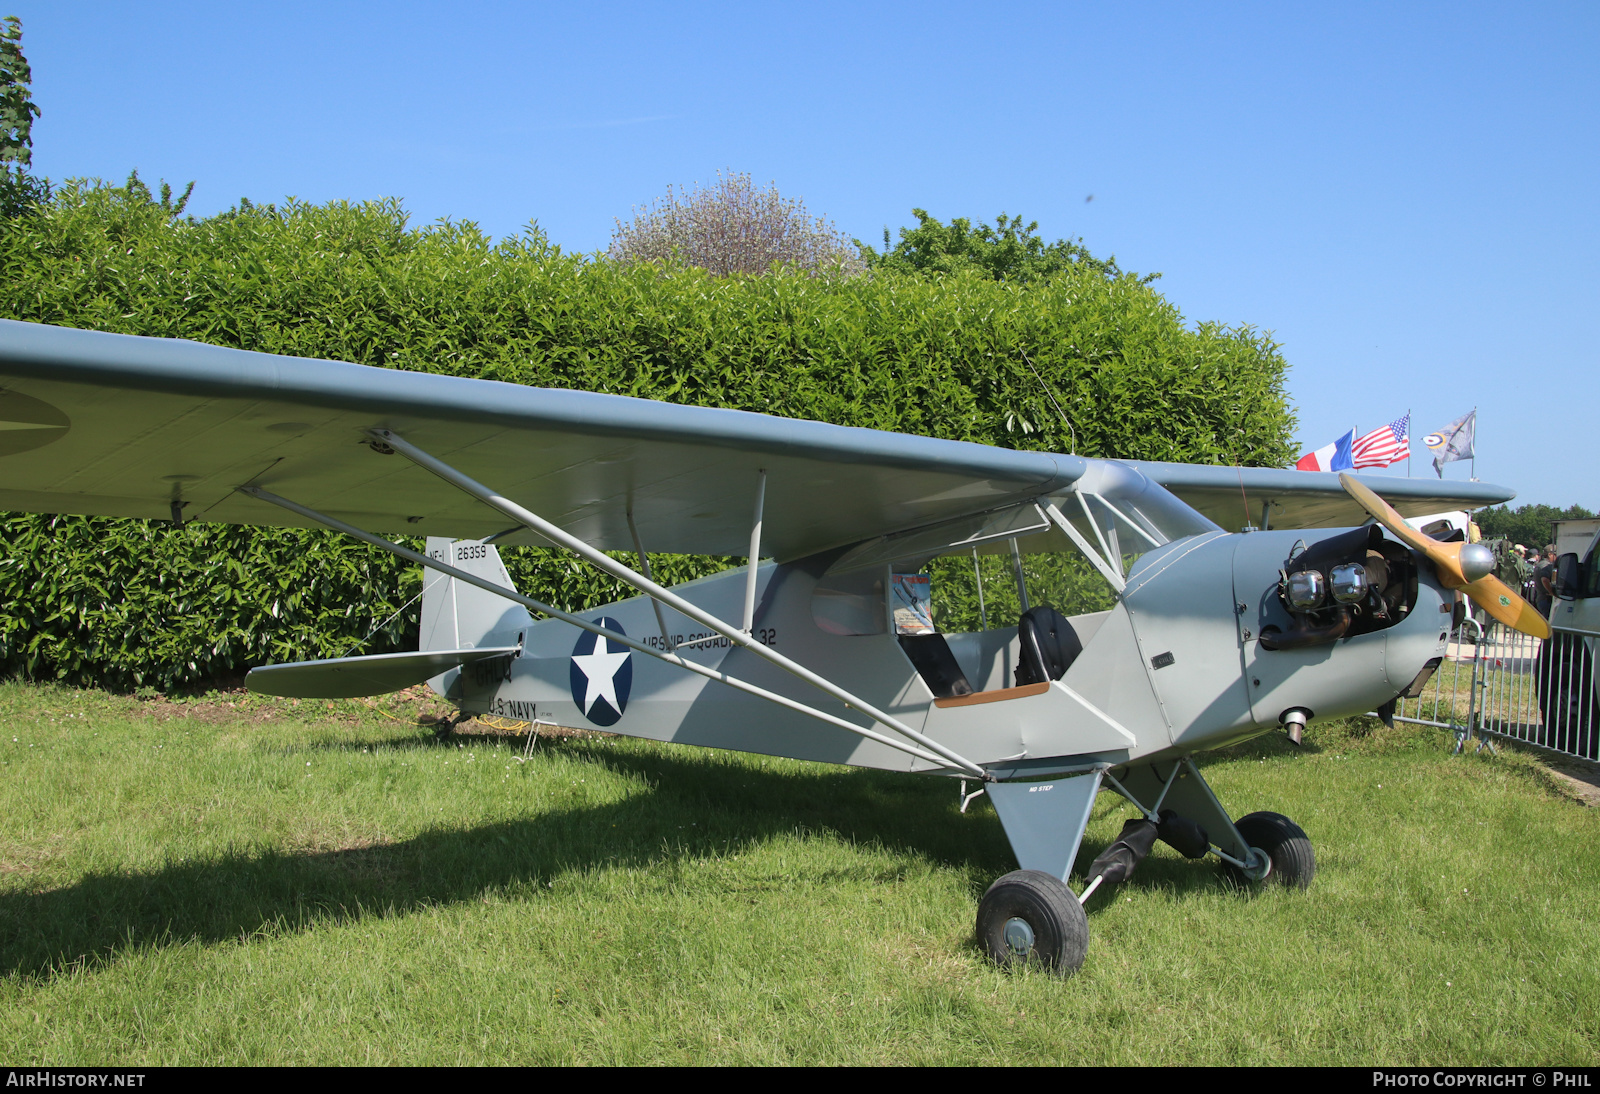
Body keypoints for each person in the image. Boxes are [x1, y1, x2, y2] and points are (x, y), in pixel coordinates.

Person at [1534, 546, 1557, 619]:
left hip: (1540, 598)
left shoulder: (1539, 564)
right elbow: (1544, 579)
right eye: (1555, 555)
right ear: (1550, 554)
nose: (1556, 557)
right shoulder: (1546, 565)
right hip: (1546, 600)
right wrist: (1552, 592)